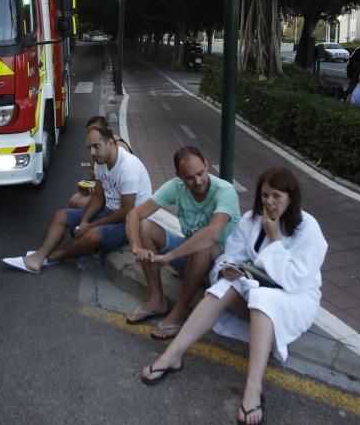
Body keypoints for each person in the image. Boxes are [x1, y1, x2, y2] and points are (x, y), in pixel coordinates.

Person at [138, 167, 327, 425]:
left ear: (291, 198)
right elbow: (231, 255)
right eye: (264, 195)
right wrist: (227, 270)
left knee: (264, 299)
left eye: (276, 197)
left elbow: (295, 280)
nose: (269, 203)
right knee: (221, 288)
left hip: (295, 299)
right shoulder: (252, 219)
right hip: (256, 286)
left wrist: (273, 241)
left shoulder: (308, 229)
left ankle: (253, 390)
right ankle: (172, 355)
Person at [124, 146, 240, 340]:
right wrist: (136, 247)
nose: (197, 181)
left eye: (200, 174)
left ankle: (180, 310)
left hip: (218, 267)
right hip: (189, 259)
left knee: (204, 243)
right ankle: (156, 300)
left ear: (206, 164)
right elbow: (134, 214)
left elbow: (211, 234)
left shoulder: (224, 191)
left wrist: (169, 257)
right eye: (189, 178)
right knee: (145, 226)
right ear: (178, 176)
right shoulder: (175, 187)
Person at [2, 126, 152, 273]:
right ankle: (38, 257)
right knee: (61, 215)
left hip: (131, 223)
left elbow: (125, 212)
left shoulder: (128, 168)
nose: (92, 152)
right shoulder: (101, 162)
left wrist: (91, 225)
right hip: (110, 211)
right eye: (89, 148)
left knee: (92, 235)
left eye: (96, 146)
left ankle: (59, 255)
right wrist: (84, 220)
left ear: (111, 143)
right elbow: (99, 197)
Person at [68, 115, 132, 210]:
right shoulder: (97, 146)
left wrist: (92, 171)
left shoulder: (118, 148)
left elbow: (110, 181)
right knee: (73, 200)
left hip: (114, 194)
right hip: (105, 187)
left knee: (80, 203)